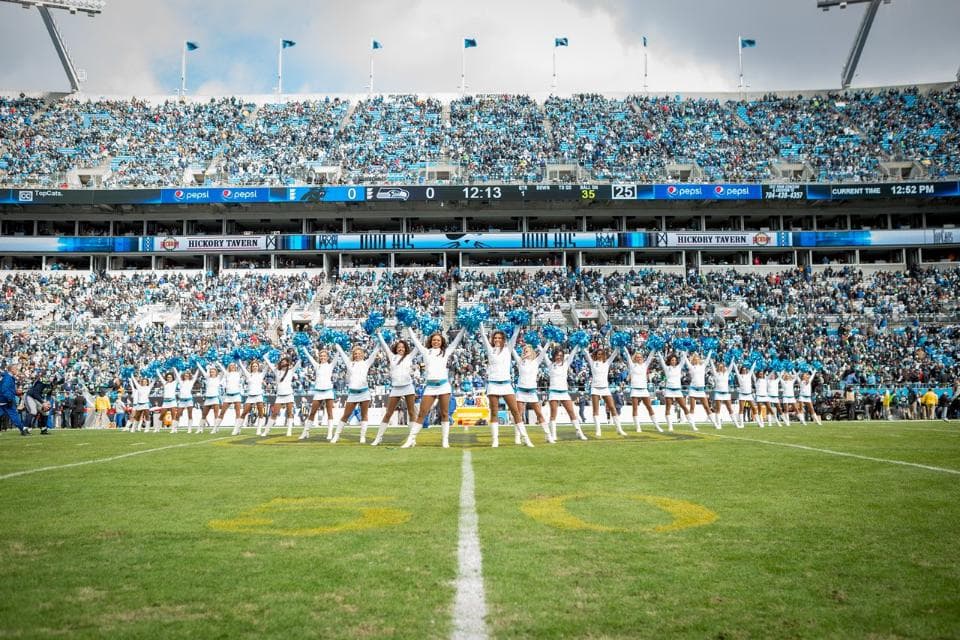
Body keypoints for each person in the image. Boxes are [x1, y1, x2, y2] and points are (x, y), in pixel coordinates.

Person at [404, 327, 464, 448]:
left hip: (444, 386)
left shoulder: (446, 352)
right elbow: (415, 340)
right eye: (434, 340)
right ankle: (410, 440)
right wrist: (408, 327)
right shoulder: (426, 351)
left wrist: (463, 328)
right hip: (430, 387)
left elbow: (456, 340)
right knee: (422, 413)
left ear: (442, 342)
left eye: (438, 340)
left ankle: (445, 441)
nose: (436, 342)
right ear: (431, 341)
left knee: (445, 413)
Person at [480, 326, 531, 448]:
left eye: (500, 338)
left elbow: (515, 335)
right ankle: (495, 440)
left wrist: (518, 324)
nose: (497, 339)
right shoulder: (490, 349)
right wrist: (479, 322)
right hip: (493, 384)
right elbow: (482, 334)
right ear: (492, 339)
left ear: (504, 339)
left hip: (506, 384)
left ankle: (525, 438)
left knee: (516, 412)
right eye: (495, 338)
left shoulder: (508, 349)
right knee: (494, 412)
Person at [371, 332, 418, 447]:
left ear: (405, 348)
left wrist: (422, 334)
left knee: (412, 412)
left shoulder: (409, 356)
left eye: (402, 347)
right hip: (395, 388)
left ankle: (412, 439)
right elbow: (384, 344)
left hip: (408, 387)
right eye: (398, 347)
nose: (400, 349)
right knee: (388, 413)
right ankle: (378, 438)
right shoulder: (392, 356)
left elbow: (418, 345)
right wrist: (378, 333)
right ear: (396, 349)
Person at [330, 344, 379, 444]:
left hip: (364, 393)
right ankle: (336, 436)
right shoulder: (350, 363)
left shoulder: (366, 363)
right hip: (352, 394)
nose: (357, 355)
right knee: (345, 415)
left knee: (364, 415)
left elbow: (374, 353)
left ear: (363, 354)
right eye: (355, 354)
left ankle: (362, 437)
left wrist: (380, 341)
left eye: (359, 353)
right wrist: (336, 343)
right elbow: (342, 353)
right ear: (353, 355)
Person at [546, 345, 588, 441]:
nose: (559, 357)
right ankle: (553, 435)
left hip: (564, 392)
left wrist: (577, 344)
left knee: (572, 413)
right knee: (553, 414)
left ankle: (579, 432)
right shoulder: (550, 364)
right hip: (553, 392)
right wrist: (546, 343)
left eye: (561, 355)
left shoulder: (565, 364)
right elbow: (543, 353)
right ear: (553, 355)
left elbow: (572, 354)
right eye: (557, 355)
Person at [513, 343, 551, 443]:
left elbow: (543, 352)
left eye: (528, 351)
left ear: (532, 352)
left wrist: (547, 342)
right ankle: (518, 437)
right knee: (519, 414)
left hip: (532, 392)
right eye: (525, 351)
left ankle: (548, 435)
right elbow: (511, 348)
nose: (526, 352)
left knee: (539, 414)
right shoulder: (520, 361)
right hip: (521, 391)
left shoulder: (536, 362)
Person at [586, 345, 625, 438]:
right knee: (596, 410)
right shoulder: (592, 363)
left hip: (605, 388)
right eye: (598, 354)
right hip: (595, 388)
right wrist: (581, 345)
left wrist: (619, 345)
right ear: (596, 355)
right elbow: (586, 353)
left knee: (612, 407)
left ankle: (619, 429)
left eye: (601, 354)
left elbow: (614, 353)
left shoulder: (607, 363)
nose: (600, 355)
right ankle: (598, 430)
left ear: (604, 355)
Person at [623, 347, 662, 432]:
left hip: (644, 390)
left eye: (640, 357)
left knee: (649, 407)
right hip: (635, 390)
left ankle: (657, 425)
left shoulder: (645, 365)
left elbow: (650, 356)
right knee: (635, 408)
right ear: (635, 358)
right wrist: (624, 347)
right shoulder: (632, 365)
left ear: (642, 358)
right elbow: (628, 356)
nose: (639, 358)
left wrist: (654, 348)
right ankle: (638, 427)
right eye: (637, 357)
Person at [300, 350, 335, 440]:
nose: (322, 357)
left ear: (327, 357)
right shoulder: (317, 365)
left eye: (324, 356)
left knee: (329, 413)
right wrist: (304, 348)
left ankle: (330, 433)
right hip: (318, 392)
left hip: (328, 392)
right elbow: (310, 357)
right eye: (321, 356)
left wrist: (338, 346)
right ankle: (305, 432)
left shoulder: (331, 365)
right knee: (312, 412)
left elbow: (338, 354)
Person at [657, 352, 696, 432]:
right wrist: (658, 352)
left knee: (684, 407)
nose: (673, 361)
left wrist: (685, 350)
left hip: (678, 391)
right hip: (669, 390)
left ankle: (693, 425)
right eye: (672, 360)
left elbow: (683, 359)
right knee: (668, 408)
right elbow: (661, 360)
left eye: (675, 360)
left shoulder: (679, 367)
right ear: (669, 361)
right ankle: (670, 427)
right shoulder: (667, 368)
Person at [263, 356, 299, 435]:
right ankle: (266, 430)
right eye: (281, 362)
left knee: (290, 413)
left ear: (288, 363)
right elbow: (269, 363)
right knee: (274, 413)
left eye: (284, 362)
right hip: (279, 396)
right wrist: (265, 357)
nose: (282, 363)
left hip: (289, 395)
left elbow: (299, 362)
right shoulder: (276, 371)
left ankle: (289, 431)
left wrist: (302, 352)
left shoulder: (291, 371)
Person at [685, 352, 715, 429]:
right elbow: (686, 360)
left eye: (698, 359)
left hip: (701, 390)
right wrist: (683, 352)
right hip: (693, 390)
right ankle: (693, 426)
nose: (696, 360)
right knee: (692, 408)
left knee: (707, 407)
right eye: (695, 359)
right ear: (693, 360)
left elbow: (708, 359)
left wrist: (710, 351)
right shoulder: (691, 367)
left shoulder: (703, 366)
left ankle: (715, 424)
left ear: (699, 360)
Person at [239, 359, 268, 436]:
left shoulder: (261, 374)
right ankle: (237, 429)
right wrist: (238, 360)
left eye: (256, 366)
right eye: (253, 366)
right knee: (244, 412)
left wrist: (268, 359)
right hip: (250, 396)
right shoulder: (248, 375)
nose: (255, 367)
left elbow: (267, 367)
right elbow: (242, 367)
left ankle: (258, 430)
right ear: (251, 367)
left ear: (258, 367)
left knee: (261, 414)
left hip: (259, 396)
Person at [710, 358, 740, 429]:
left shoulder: (727, 373)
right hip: (718, 393)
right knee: (718, 409)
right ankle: (719, 425)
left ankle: (736, 424)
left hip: (726, 394)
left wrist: (733, 358)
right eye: (719, 367)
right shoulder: (716, 374)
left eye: (722, 367)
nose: (721, 368)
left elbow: (731, 365)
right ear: (717, 368)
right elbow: (712, 366)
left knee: (730, 408)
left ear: (724, 367)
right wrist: (711, 360)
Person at [0, 361, 28, 435]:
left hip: (3, 400)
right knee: (14, 416)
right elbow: (4, 390)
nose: (17, 371)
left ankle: (22, 429)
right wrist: (9, 399)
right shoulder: (8, 378)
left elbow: (8, 389)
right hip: (6, 400)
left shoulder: (8, 377)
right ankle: (22, 430)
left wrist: (16, 392)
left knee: (13, 415)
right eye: (16, 369)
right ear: (12, 370)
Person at [197, 364, 224, 434]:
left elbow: (223, 371)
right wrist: (198, 364)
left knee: (216, 414)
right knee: (204, 414)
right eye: (211, 372)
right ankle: (200, 429)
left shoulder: (218, 378)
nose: (212, 373)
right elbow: (202, 370)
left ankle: (215, 429)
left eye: (213, 372)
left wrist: (218, 363)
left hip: (215, 398)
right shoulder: (207, 378)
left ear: (216, 372)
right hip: (208, 398)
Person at [175, 367, 199, 433]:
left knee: (190, 414)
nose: (186, 376)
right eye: (185, 375)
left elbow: (196, 375)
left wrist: (198, 368)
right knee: (178, 414)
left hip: (189, 400)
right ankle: (175, 428)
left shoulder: (191, 382)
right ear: (183, 376)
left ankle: (189, 429)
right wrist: (174, 368)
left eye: (187, 376)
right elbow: (177, 375)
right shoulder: (181, 382)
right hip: (181, 401)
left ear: (189, 376)